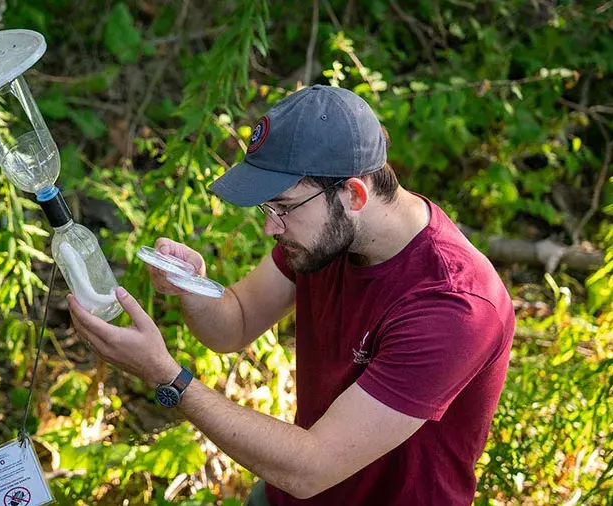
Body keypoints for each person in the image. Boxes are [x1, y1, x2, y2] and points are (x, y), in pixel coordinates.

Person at [67, 85, 515, 505]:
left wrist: (168, 378)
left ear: (353, 195)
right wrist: (194, 287)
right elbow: (235, 322)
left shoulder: (454, 306)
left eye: (282, 207)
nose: (270, 226)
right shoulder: (327, 236)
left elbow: (312, 467)